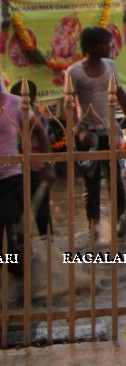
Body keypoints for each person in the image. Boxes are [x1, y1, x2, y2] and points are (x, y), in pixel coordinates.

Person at [68, 26, 126, 238]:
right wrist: (78, 130)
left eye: (109, 43)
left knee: (115, 179)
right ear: (90, 47)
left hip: (109, 132)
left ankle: (123, 224)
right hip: (88, 135)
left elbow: (120, 94)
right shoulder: (74, 72)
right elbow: (69, 105)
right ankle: (95, 229)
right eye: (104, 44)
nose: (109, 47)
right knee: (91, 184)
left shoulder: (110, 66)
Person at [0, 82, 52, 273]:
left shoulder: (14, 103)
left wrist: (48, 165)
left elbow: (39, 131)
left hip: (12, 176)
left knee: (10, 220)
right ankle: (20, 271)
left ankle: (28, 272)